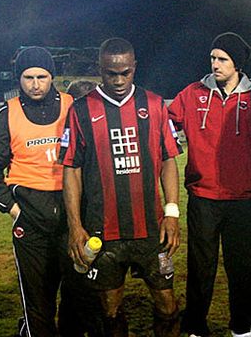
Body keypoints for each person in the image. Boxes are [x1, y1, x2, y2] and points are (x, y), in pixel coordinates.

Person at [60, 37, 183, 336]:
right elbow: (71, 170)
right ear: (99, 69)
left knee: (167, 303)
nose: (118, 80)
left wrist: (172, 213)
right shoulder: (80, 110)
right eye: (110, 73)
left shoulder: (154, 105)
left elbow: (168, 160)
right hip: (104, 231)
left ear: (135, 68)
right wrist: (75, 226)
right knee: (111, 309)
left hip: (151, 227)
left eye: (125, 72)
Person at [0, 47, 97, 337]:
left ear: (52, 76)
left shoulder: (75, 107)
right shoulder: (5, 115)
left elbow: (92, 161)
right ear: (19, 79)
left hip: (74, 218)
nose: (35, 83)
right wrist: (16, 210)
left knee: (78, 293)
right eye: (28, 77)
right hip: (31, 223)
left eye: (42, 76)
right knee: (38, 300)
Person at [168, 32, 251, 337]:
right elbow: (167, 124)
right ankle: (195, 326)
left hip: (243, 197)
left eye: (222, 59)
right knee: (200, 267)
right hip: (203, 196)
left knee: (243, 266)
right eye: (213, 57)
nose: (215, 64)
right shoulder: (193, 93)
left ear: (237, 64)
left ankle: (242, 326)